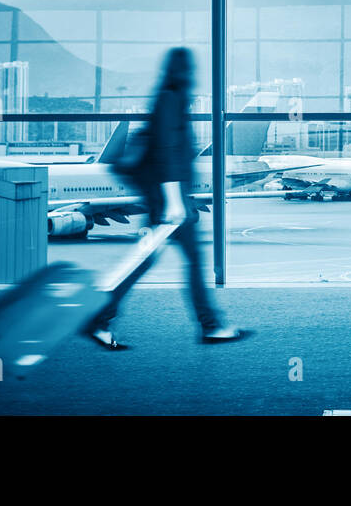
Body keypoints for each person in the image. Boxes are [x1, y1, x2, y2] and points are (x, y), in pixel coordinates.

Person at [83, 47, 243, 349]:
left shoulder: (168, 97)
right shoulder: (171, 99)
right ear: (184, 71)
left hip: (169, 197)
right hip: (168, 200)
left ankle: (209, 325)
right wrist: (173, 201)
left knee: (156, 261)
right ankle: (209, 326)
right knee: (169, 262)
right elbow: (168, 151)